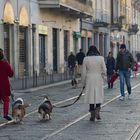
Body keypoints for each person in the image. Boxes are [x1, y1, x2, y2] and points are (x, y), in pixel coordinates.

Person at [81, 45, 106, 121]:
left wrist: (83, 82)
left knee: (91, 96)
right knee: (98, 96)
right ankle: (97, 112)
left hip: (89, 79)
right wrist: (102, 76)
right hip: (98, 78)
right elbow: (104, 70)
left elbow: (83, 72)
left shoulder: (86, 59)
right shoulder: (101, 58)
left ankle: (92, 114)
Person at [0, 48, 14, 121]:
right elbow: (11, 74)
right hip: (3, 85)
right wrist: (8, 63)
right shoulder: (5, 64)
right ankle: (5, 114)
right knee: (6, 100)